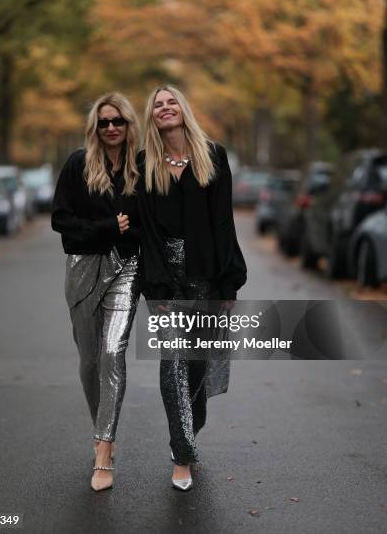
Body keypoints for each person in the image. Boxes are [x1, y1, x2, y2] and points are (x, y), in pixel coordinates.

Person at [137, 85, 247, 491]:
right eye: (158, 105)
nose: (165, 109)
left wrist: (228, 284)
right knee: (173, 360)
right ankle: (181, 455)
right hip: (165, 276)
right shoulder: (145, 162)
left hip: (206, 275)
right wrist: (156, 287)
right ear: (152, 117)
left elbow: (224, 223)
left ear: (184, 110)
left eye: (172, 103)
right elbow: (146, 231)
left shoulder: (212, 156)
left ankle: (190, 425)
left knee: (198, 363)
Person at [51, 92, 140, 492]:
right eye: (103, 122)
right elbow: (60, 220)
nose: (110, 128)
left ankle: (103, 448)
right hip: (83, 266)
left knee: (111, 352)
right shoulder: (77, 163)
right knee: (89, 361)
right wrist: (105, 227)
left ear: (129, 124)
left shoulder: (143, 165)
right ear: (95, 127)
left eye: (117, 120)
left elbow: (152, 222)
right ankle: (102, 428)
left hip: (127, 266)